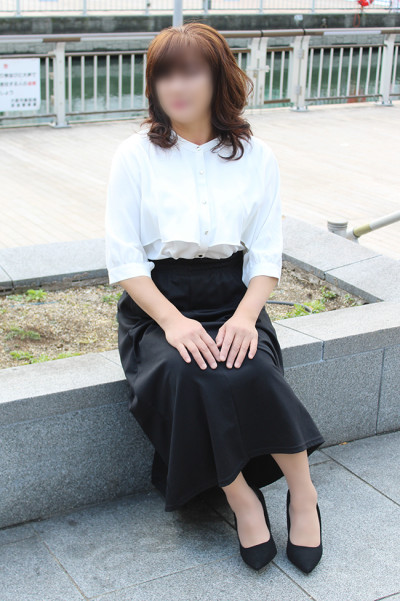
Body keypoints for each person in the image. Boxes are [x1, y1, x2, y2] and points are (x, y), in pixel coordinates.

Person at [105, 22, 325, 574]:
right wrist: (174, 322)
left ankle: (303, 493)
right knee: (193, 373)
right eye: (164, 75)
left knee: (253, 368)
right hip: (159, 305)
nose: (176, 87)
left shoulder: (256, 155)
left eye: (190, 73)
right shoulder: (134, 156)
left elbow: (266, 254)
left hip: (234, 296)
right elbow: (125, 260)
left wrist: (247, 317)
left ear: (218, 78)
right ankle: (242, 498)